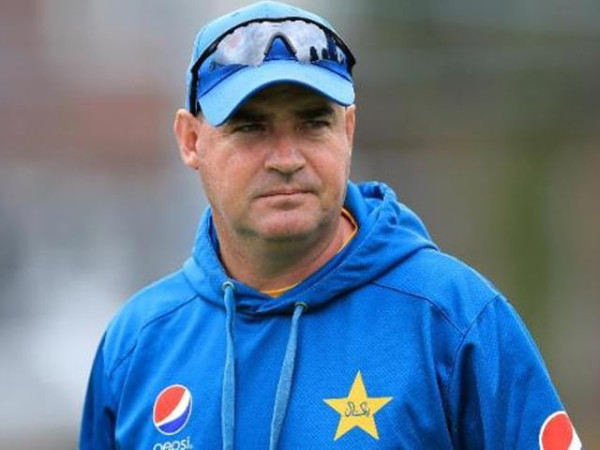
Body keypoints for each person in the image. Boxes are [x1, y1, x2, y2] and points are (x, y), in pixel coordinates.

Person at [80, 1, 582, 449]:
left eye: (313, 123)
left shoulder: (452, 318)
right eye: (251, 127)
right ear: (191, 141)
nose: (285, 158)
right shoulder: (138, 344)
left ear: (348, 131)